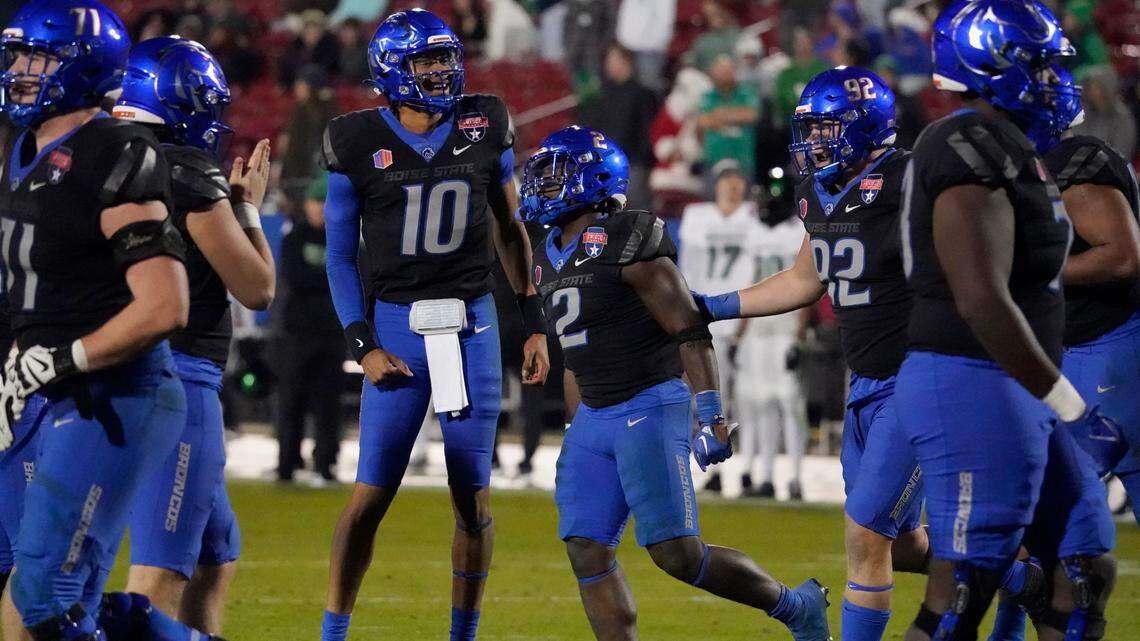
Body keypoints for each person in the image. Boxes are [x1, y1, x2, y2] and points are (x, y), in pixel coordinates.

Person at [520, 125, 832, 641]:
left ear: (592, 180)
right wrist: (577, 426)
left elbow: (688, 327)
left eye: (554, 177)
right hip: (595, 417)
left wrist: (711, 415)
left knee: (677, 554)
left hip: (647, 404)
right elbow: (575, 356)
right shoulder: (544, 253)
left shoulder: (627, 236)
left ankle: (795, 606)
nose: (541, 187)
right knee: (586, 548)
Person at [318, 10, 550, 641]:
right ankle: (331, 632)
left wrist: (530, 319)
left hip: (472, 324)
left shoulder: (485, 123)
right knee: (370, 497)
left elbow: (510, 230)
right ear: (393, 69)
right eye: (427, 62)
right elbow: (340, 255)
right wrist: (361, 342)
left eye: (447, 58)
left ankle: (462, 635)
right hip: (396, 327)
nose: (443, 71)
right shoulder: (355, 139)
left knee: (471, 496)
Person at [896, 1, 1122, 638]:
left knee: (1083, 561)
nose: (1055, 78)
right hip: (972, 375)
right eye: (1042, 63)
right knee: (963, 587)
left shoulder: (1012, 145)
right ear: (994, 60)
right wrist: (1072, 404)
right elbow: (982, 299)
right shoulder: (969, 141)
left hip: (1015, 379)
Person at [0, 2, 216, 639]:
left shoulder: (115, 151)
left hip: (113, 396)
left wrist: (60, 359)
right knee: (39, 598)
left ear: (81, 65)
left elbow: (164, 305)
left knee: (42, 596)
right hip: (46, 390)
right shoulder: (27, 148)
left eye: (36, 57)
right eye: (15, 55)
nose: (18, 70)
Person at [693, 66, 931, 641]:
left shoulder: (910, 180)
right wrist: (715, 306)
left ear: (863, 126)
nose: (813, 142)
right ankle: (1018, 572)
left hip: (919, 377)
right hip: (867, 382)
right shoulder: (819, 190)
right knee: (902, 545)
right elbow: (807, 275)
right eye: (811, 130)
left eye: (826, 129)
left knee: (864, 532)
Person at [112, 36, 275, 636]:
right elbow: (256, 287)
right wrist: (247, 208)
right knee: (155, 581)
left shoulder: (97, 156)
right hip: (179, 380)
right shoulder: (186, 170)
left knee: (216, 556)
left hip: (108, 368)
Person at [677, 160, 764, 495]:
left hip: (744, 316)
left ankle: (749, 469)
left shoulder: (753, 218)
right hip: (704, 318)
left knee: (752, 399)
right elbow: (686, 266)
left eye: (737, 178)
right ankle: (710, 469)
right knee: (705, 399)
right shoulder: (698, 217)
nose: (732, 185)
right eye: (725, 178)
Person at [274, 175, 345, 483]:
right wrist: (328, 280)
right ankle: (287, 462)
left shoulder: (344, 239)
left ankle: (326, 463)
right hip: (298, 333)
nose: (320, 209)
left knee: (328, 403)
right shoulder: (295, 238)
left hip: (331, 333)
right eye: (317, 202)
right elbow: (296, 278)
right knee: (291, 400)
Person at [697, 54, 760, 184]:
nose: (725, 74)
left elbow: (751, 115)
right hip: (714, 158)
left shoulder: (746, 93)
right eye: (720, 71)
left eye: (728, 70)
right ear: (713, 74)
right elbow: (704, 121)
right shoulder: (707, 96)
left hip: (742, 158)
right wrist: (736, 115)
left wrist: (719, 115)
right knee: (712, 199)